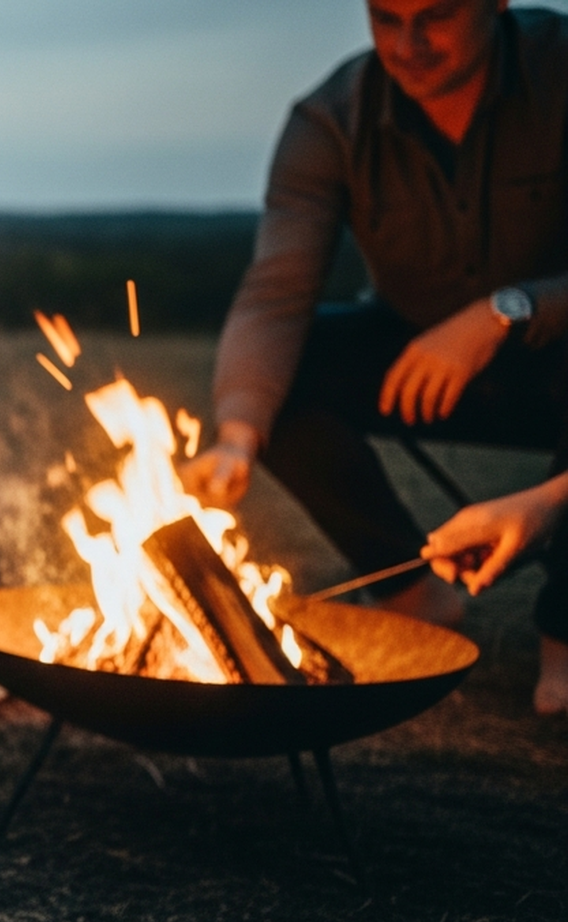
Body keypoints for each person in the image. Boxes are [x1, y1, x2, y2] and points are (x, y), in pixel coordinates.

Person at [181, 0, 568, 715]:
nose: (409, 43)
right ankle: (414, 591)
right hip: (418, 357)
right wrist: (237, 435)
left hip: (554, 350)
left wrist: (507, 312)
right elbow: (276, 292)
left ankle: (565, 632)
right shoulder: (331, 120)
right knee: (291, 367)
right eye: (387, 18)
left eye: (437, 16)